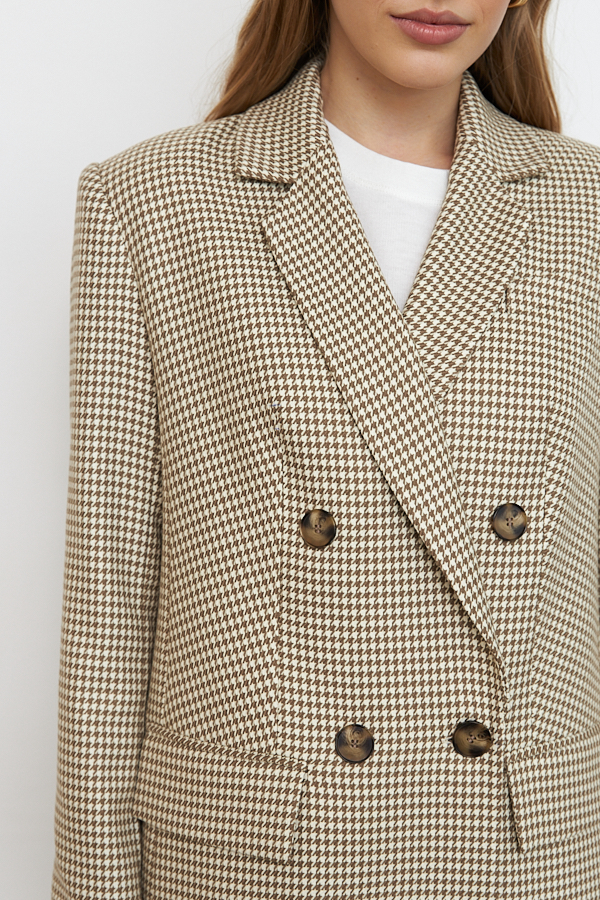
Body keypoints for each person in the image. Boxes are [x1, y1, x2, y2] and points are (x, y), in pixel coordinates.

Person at [52, 1, 600, 897]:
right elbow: (109, 607)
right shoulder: (153, 200)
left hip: (524, 849)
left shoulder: (585, 206)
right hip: (264, 855)